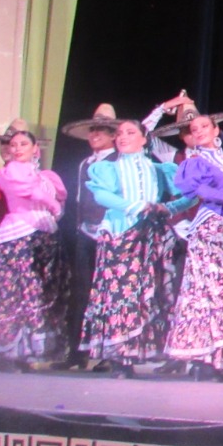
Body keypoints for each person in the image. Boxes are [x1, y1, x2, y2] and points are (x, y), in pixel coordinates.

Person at [81, 119, 193, 377]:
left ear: (145, 139)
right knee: (122, 294)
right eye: (119, 133)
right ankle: (120, 357)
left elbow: (190, 195)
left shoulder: (159, 169)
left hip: (151, 236)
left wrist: (169, 208)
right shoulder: (107, 168)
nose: (122, 137)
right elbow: (102, 195)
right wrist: (135, 207)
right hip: (121, 232)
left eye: (130, 133)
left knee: (149, 294)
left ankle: (142, 349)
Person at [163, 112, 223, 380]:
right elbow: (202, 192)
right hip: (211, 228)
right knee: (208, 293)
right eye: (194, 129)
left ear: (216, 130)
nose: (200, 131)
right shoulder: (195, 162)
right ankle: (202, 359)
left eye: (205, 126)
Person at [0, 127, 69, 369]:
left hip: (45, 236)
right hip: (18, 236)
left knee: (41, 294)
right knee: (18, 294)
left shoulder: (47, 175)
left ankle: (31, 351)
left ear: (35, 149)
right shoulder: (10, 172)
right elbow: (28, 192)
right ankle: (10, 351)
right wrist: (54, 206)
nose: (17, 148)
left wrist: (56, 209)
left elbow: (61, 195)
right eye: (14, 145)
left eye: (23, 144)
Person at [53, 103, 120, 370]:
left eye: (101, 129)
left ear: (113, 134)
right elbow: (80, 199)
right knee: (81, 292)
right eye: (92, 129)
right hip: (84, 233)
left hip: (111, 233)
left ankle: (108, 353)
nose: (95, 134)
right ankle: (77, 352)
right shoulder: (85, 163)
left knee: (109, 293)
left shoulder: (119, 161)